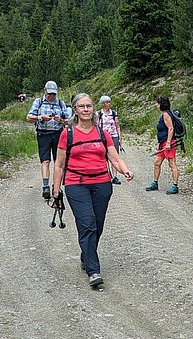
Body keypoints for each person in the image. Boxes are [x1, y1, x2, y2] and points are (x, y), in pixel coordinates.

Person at [52, 93, 134, 287]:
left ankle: (86, 255)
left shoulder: (102, 133)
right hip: (76, 184)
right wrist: (56, 191)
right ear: (75, 110)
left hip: (102, 184)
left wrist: (125, 170)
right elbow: (59, 165)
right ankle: (93, 270)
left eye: (89, 106)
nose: (86, 109)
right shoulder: (68, 133)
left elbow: (114, 158)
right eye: (82, 106)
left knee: (97, 224)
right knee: (87, 224)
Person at [27, 81, 69, 200]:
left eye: (54, 94)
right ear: (45, 92)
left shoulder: (60, 103)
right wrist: (41, 118)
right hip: (43, 134)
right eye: (50, 93)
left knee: (59, 161)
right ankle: (45, 186)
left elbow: (68, 121)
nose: (51, 96)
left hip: (58, 134)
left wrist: (60, 120)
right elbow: (29, 117)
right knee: (45, 160)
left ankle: (57, 186)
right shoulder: (38, 102)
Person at [145, 95, 179, 195]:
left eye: (157, 103)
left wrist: (168, 143)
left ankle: (175, 186)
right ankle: (155, 183)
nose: (156, 105)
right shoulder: (165, 114)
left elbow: (171, 128)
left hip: (168, 143)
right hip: (163, 143)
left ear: (161, 104)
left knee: (172, 163)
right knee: (157, 162)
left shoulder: (166, 115)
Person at [97, 95, 122, 184]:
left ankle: (115, 176)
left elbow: (117, 126)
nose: (109, 104)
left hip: (113, 136)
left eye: (109, 102)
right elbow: (96, 126)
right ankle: (107, 175)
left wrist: (119, 138)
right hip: (103, 137)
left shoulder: (114, 113)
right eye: (107, 102)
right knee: (103, 156)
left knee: (114, 156)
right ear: (103, 104)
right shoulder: (99, 114)